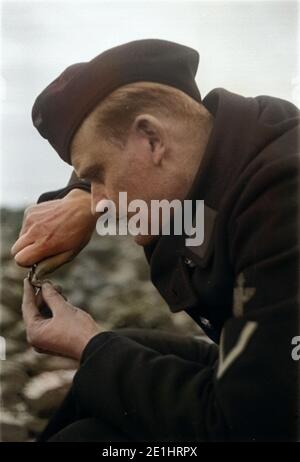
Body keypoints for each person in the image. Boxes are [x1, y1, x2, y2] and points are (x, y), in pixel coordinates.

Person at [12, 39, 299, 441]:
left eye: (96, 175)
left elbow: (249, 426)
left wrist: (88, 345)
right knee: (119, 352)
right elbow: (118, 142)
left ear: (152, 139)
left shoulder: (284, 201)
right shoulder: (241, 140)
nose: (99, 204)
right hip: (259, 373)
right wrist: (79, 196)